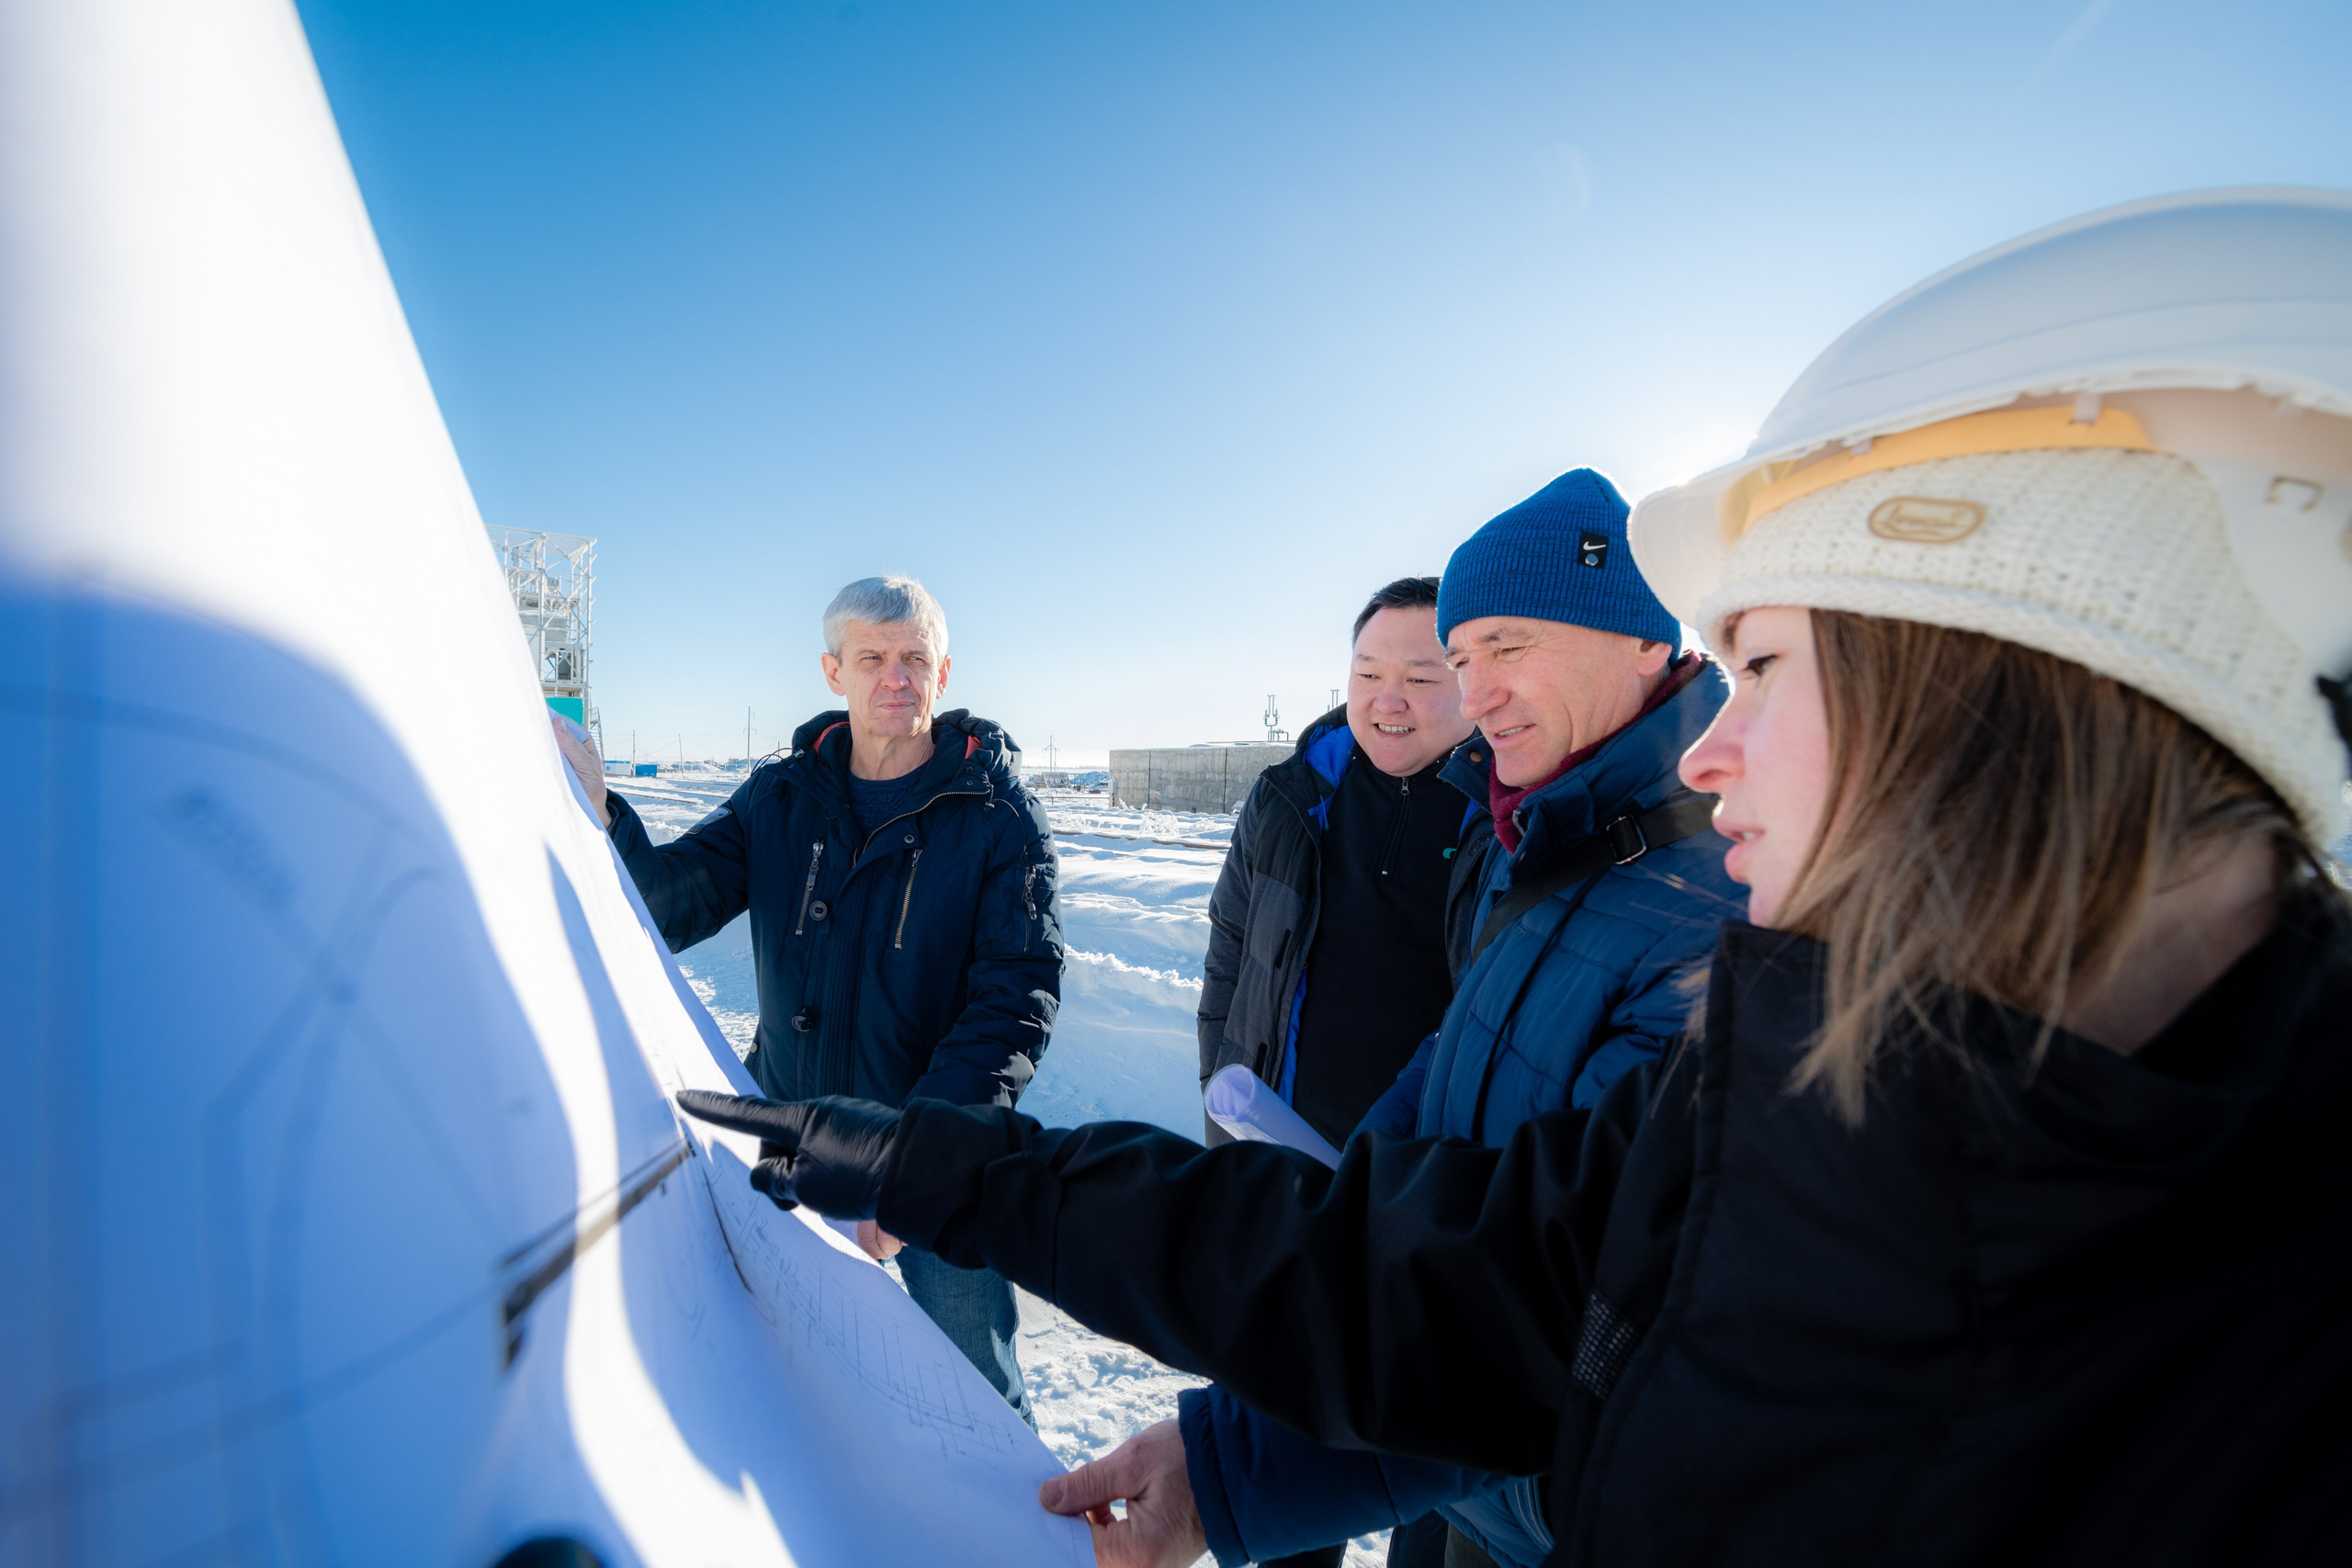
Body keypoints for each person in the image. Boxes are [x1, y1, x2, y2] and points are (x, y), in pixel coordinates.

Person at [675, 191, 2352, 1567]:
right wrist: (996, 1209)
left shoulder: (2246, 1355)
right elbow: (1455, 1280)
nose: (1716, 744)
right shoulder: (1801, 1065)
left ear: (2002, 670)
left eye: (1768, 664)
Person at [1182, 475, 1745, 1568]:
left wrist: (1223, 1483)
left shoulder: (1646, 863)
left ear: (1644, 639)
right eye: (1454, 657)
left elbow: (1560, 1280)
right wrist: (1278, 1149)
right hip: (1339, 1204)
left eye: (1497, 650)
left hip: (1525, 1447)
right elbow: (1255, 972)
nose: (1468, 691)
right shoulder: (1350, 805)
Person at [557, 574, 1061, 1426]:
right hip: (791, 1138)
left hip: (934, 1156)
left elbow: (1013, 999)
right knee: (781, 1362)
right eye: (872, 658)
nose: (896, 677)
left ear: (943, 673)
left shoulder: (998, 815)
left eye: (915, 659)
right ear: (834, 671)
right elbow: (671, 904)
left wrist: (920, 1160)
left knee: (978, 1393)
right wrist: (603, 813)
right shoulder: (782, 797)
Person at [1199, 575, 1485, 1164]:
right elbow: (1231, 948)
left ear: (1472, 680)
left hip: (1427, 1171)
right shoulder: (1290, 797)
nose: (1388, 701)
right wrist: (1220, 1082)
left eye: (1421, 679)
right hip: (1270, 1144)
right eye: (1368, 674)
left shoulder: (1508, 819)